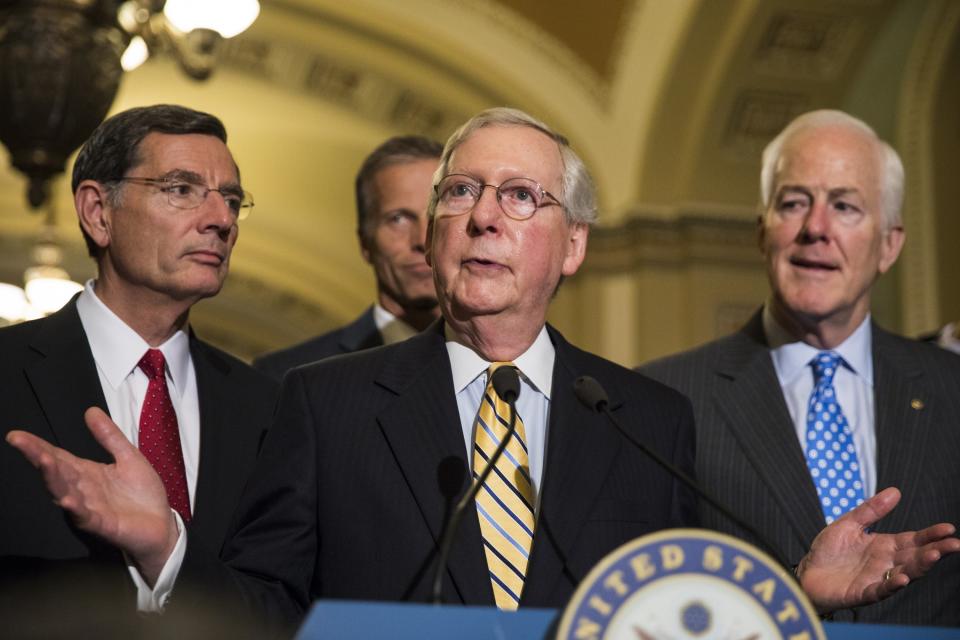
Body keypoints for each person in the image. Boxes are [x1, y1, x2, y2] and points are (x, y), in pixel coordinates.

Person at [8, 108, 958, 631]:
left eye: (520, 195)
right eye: (460, 193)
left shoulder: (646, 416)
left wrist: (795, 590)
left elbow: (674, 616)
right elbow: (262, 612)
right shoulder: (324, 403)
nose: (483, 216)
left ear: (572, 245)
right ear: (431, 230)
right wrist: (165, 545)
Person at [640, 109, 960, 625]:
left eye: (845, 206)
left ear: (890, 244)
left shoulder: (953, 393)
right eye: (793, 203)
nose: (816, 228)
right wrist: (791, 592)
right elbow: (647, 601)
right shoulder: (663, 398)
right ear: (762, 231)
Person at [0, 105, 279, 610]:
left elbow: (285, 603)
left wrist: (167, 552)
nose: (220, 220)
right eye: (180, 189)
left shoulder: (271, 407)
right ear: (98, 213)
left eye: (232, 200)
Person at [253, 136, 442, 379]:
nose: (421, 240)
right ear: (365, 243)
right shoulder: (285, 376)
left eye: (436, 215)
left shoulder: (500, 361)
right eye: (398, 219)